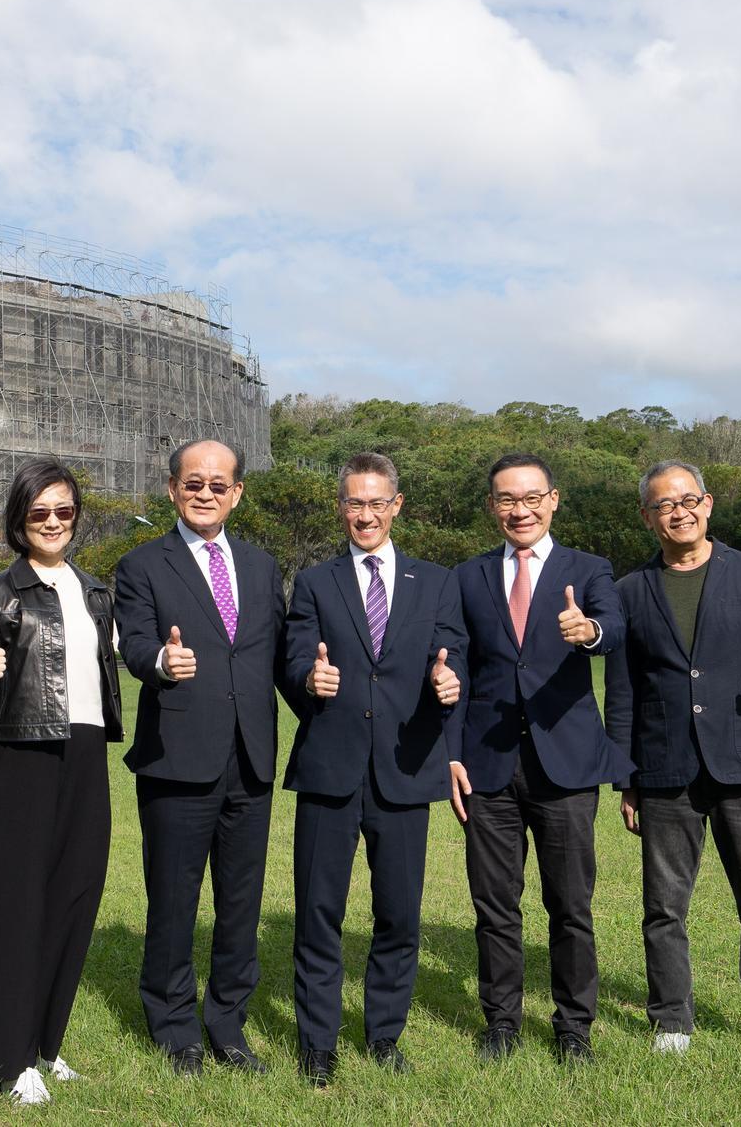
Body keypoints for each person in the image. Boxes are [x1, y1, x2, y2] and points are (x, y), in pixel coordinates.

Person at [603, 460, 741, 1061]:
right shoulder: (629, 591)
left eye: (688, 500)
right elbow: (621, 691)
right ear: (648, 517)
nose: (679, 511)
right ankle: (672, 1019)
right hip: (663, 770)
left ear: (708, 504)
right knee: (664, 905)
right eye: (664, 504)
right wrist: (625, 778)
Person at [282, 452, 467, 1086]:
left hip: (404, 768)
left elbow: (455, 653)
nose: (365, 514)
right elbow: (294, 658)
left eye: (376, 503)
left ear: (397, 506)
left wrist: (449, 678)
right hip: (330, 769)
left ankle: (385, 1034)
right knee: (318, 912)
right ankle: (317, 1042)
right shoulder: (313, 582)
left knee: (399, 915)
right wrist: (310, 676)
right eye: (354, 503)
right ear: (341, 508)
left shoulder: (436, 582)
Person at [0, 458, 125, 1106]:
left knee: (75, 897)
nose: (53, 522)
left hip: (85, 752)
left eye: (64, 511)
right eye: (39, 513)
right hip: (20, 750)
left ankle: (46, 1045)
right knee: (16, 904)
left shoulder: (96, 592)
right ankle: (4, 1058)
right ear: (20, 520)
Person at [447, 453, 629, 1064]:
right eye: (505, 499)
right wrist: (451, 753)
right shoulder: (467, 577)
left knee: (570, 904)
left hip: (567, 765)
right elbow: (458, 667)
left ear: (554, 500)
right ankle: (501, 1021)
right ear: (492, 507)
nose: (518, 509)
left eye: (530, 497)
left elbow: (614, 629)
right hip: (488, 765)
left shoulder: (591, 569)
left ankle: (574, 1027)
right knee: (494, 904)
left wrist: (591, 633)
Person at [114, 440, 285, 1076]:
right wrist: (161, 662)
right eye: (194, 483)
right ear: (172, 489)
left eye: (219, 484)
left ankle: (227, 1022)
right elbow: (133, 642)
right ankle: (174, 1025)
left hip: (251, 760)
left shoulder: (263, 567)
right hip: (177, 760)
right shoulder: (142, 565)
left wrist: (325, 684)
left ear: (237, 493)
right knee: (174, 899)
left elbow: (278, 655)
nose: (206, 493)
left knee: (241, 901)